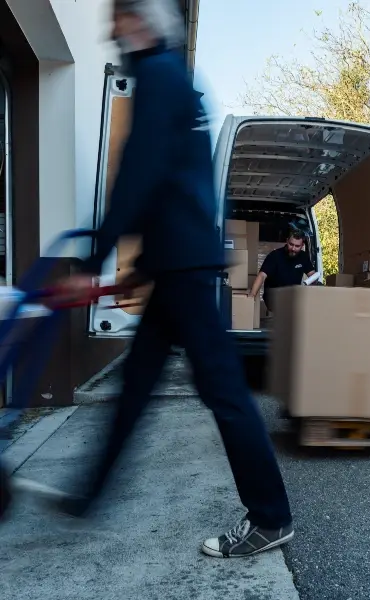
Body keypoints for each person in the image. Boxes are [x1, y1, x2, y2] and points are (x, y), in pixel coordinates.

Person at [49, 0, 293, 559]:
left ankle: (271, 517)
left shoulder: (158, 77)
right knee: (135, 388)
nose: (110, 30)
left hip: (183, 269)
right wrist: (137, 266)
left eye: (117, 19)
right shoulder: (171, 80)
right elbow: (171, 187)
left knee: (225, 394)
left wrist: (93, 266)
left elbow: (139, 175)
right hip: (174, 265)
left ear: (139, 23)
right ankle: (88, 496)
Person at [248, 230, 316, 312]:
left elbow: (312, 274)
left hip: (292, 296)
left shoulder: (303, 257)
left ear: (302, 245)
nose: (293, 249)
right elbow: (262, 276)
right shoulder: (275, 256)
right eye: (291, 244)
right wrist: (251, 297)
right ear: (287, 241)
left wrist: (317, 283)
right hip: (274, 297)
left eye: (297, 246)